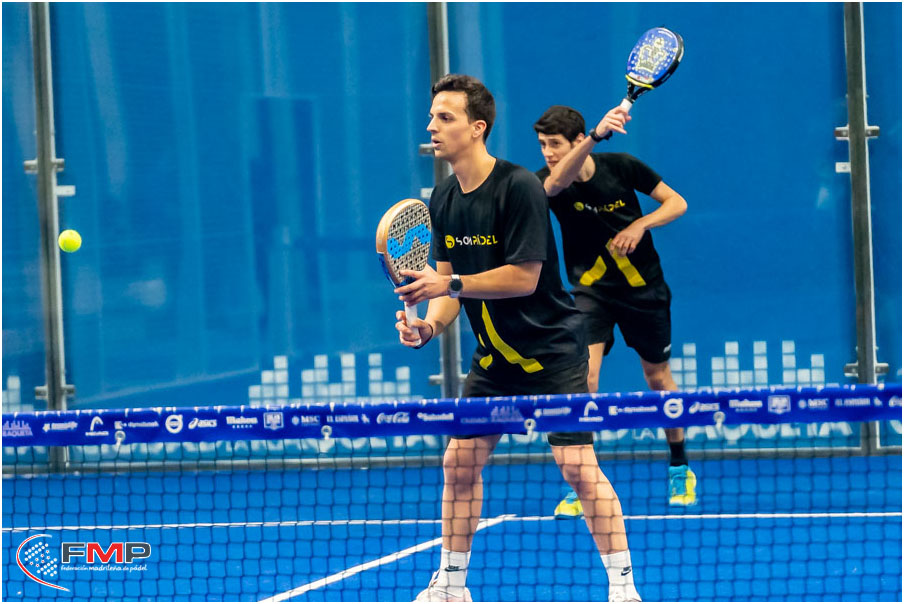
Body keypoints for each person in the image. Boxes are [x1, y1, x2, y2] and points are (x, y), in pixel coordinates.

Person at [395, 75, 641, 603]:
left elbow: (524, 278)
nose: (432, 126)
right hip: (495, 361)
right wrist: (429, 325)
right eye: (432, 116)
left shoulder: (519, 187)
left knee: (577, 467)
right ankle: (452, 586)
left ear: (477, 128)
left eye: (445, 117)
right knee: (459, 463)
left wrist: (448, 285)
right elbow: (447, 286)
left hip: (552, 351)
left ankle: (624, 591)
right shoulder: (443, 197)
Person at [532, 105, 695, 514]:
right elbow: (554, 186)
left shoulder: (622, 167)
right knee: (584, 379)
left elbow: (677, 203)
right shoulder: (547, 182)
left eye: (555, 144)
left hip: (644, 292)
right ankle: (581, 479)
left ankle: (680, 466)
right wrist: (595, 136)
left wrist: (640, 224)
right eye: (543, 145)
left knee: (657, 377)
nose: (548, 152)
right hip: (591, 294)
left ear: (575, 140)